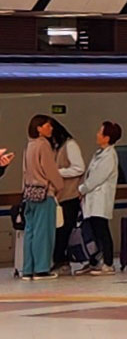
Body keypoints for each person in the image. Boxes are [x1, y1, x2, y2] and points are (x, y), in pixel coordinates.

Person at [19, 116, 62, 279]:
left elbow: (24, 172)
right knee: (44, 233)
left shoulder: (29, 145)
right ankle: (42, 268)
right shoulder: (44, 145)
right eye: (47, 126)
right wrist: (59, 186)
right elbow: (50, 169)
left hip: (29, 194)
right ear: (39, 128)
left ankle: (28, 268)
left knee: (30, 231)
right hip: (44, 193)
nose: (51, 129)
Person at [78, 124, 121, 271]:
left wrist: (82, 189)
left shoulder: (110, 156)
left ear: (107, 137)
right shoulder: (99, 153)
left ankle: (108, 263)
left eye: (100, 132)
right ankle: (94, 260)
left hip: (100, 200)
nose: (97, 134)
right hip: (92, 199)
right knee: (93, 232)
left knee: (102, 231)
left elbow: (97, 177)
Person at [48, 122, 85, 269]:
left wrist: (57, 172)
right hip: (58, 196)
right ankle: (58, 259)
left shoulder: (70, 145)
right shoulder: (55, 148)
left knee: (64, 229)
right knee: (58, 230)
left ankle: (62, 260)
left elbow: (79, 168)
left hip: (69, 196)